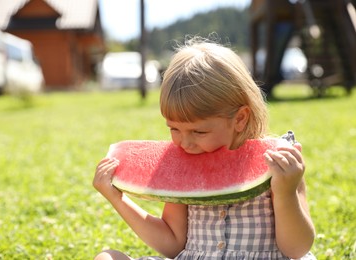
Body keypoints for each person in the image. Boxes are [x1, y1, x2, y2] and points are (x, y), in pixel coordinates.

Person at [93, 37, 316, 260]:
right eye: (174, 129)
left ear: (240, 118)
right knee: (107, 258)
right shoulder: (183, 164)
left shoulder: (278, 164)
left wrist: (286, 192)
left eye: (198, 132)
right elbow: (172, 244)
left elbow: (296, 249)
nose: (184, 143)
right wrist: (116, 198)